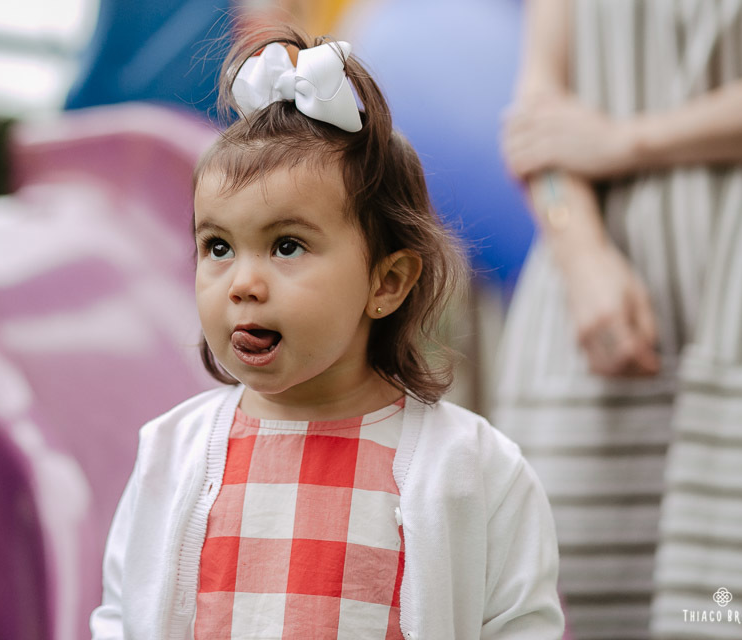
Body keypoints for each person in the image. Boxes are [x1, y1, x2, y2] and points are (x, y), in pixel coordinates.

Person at [90, 24, 564, 640]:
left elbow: (522, 625)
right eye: (218, 246)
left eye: (287, 246)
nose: (242, 283)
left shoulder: (472, 470)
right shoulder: (172, 453)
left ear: (386, 282)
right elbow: (120, 618)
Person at [496, 1, 742, 638]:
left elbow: (587, 134)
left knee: (730, 611)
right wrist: (584, 255)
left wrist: (629, 140)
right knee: (563, 609)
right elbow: (537, 112)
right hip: (583, 324)